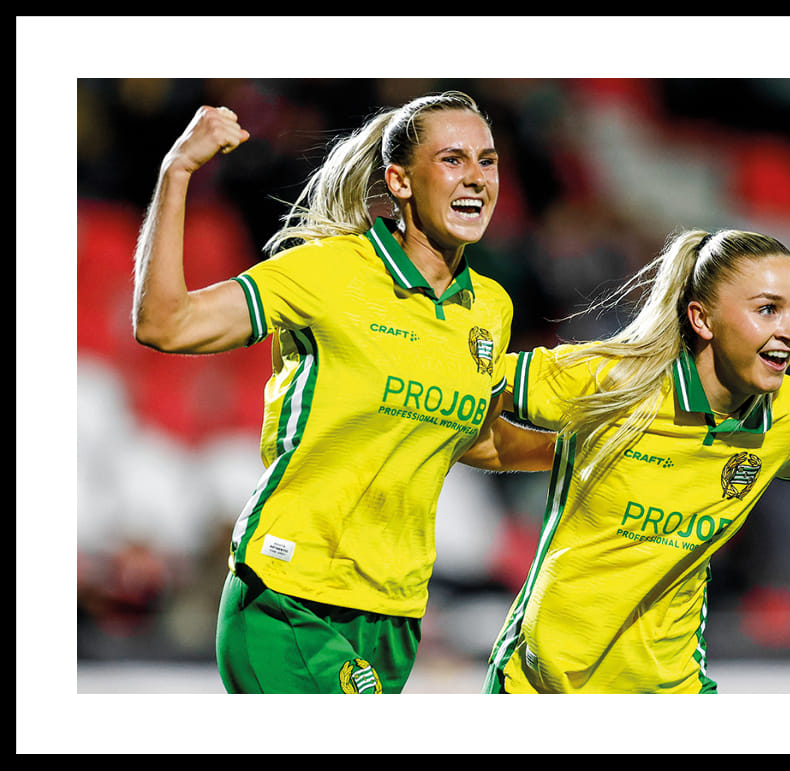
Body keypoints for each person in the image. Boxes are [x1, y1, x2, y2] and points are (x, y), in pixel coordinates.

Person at [131, 91, 553, 694]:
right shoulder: (327, 272)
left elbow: (473, 435)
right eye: (452, 160)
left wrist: (583, 452)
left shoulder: (490, 307)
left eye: (487, 161)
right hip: (288, 593)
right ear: (399, 182)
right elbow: (165, 325)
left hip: (394, 612)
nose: (477, 178)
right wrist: (177, 172)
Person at [483, 227, 790, 694]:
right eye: (768, 309)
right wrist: (555, 453)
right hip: (543, 685)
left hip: (672, 687)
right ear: (703, 319)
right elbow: (460, 399)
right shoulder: (612, 381)